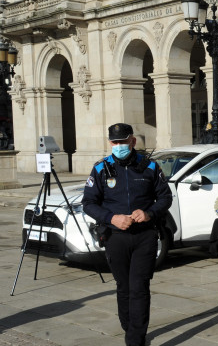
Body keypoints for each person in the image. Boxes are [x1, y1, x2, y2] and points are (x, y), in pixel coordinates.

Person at [82, 123, 172, 346]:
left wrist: (149, 213)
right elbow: (89, 203)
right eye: (115, 142)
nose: (119, 146)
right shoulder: (101, 168)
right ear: (110, 142)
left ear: (133, 141)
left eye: (123, 141)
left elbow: (165, 198)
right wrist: (111, 218)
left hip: (145, 235)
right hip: (115, 237)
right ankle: (128, 327)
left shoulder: (150, 166)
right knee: (123, 287)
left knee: (139, 287)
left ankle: (136, 339)